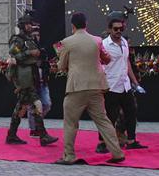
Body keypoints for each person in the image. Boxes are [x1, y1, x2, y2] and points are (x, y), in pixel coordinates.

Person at [54, 12, 125, 165]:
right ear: (86, 24)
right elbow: (107, 59)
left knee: (71, 123)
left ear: (72, 25)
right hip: (96, 86)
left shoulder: (66, 42)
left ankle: (69, 156)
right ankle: (117, 153)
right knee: (103, 121)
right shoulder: (97, 40)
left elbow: (61, 66)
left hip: (76, 87)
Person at [6, 13, 57, 146]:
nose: (30, 26)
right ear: (22, 26)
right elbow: (14, 55)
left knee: (21, 106)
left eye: (30, 23)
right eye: (28, 24)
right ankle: (43, 135)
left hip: (31, 76)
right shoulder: (17, 40)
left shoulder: (30, 39)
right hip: (24, 78)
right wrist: (30, 53)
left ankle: (11, 135)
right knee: (37, 104)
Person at [97, 18, 147, 152]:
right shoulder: (104, 45)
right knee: (109, 116)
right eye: (115, 29)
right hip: (111, 85)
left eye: (121, 29)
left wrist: (134, 82)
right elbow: (99, 64)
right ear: (109, 29)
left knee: (131, 112)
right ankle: (102, 143)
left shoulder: (124, 42)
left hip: (125, 85)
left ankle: (131, 140)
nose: (118, 31)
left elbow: (127, 63)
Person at [27, 22, 52, 138]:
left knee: (47, 104)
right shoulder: (25, 47)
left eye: (38, 35)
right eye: (34, 35)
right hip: (32, 81)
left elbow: (46, 64)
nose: (36, 37)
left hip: (43, 80)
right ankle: (34, 129)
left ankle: (37, 123)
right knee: (33, 106)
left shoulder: (42, 48)